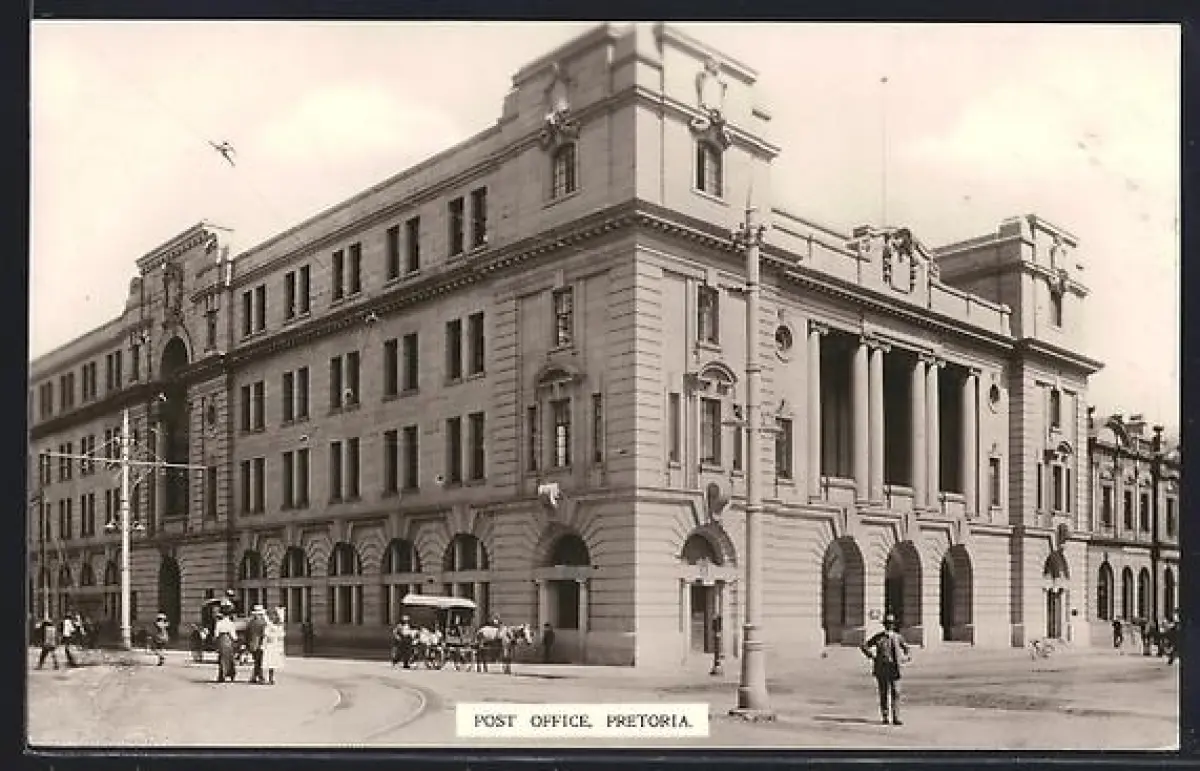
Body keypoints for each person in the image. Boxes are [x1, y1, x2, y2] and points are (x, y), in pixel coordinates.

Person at [861, 613, 911, 726]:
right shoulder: (879, 637)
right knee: (883, 693)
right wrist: (872, 656)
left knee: (896, 692)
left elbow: (907, 648)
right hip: (882, 668)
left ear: (894, 625)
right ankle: (885, 716)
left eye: (891, 623)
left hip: (894, 668)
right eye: (887, 623)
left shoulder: (898, 637)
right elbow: (864, 646)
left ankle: (896, 717)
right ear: (884, 625)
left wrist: (906, 657)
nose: (889, 625)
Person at [262, 607, 286, 685]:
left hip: (275, 646)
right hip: (270, 645)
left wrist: (281, 648)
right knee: (270, 662)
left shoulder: (278, 627)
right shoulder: (272, 626)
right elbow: (266, 635)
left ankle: (271, 678)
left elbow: (281, 638)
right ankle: (270, 678)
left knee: (273, 663)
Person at [246, 605, 269, 684]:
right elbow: (264, 634)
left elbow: (247, 634)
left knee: (257, 661)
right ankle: (260, 677)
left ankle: (254, 677)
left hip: (252, 643)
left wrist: (247, 644)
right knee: (259, 661)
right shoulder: (262, 623)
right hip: (260, 643)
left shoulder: (251, 622)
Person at [214, 608, 238, 683]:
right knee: (230, 658)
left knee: (222, 658)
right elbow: (233, 635)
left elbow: (216, 634)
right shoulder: (231, 623)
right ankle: (231, 673)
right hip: (228, 640)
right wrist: (236, 640)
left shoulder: (219, 623)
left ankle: (222, 674)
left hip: (221, 640)